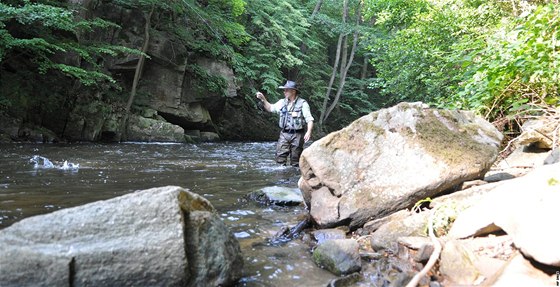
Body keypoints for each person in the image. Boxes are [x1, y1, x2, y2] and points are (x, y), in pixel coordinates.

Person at [256, 80, 314, 167]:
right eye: (284, 90)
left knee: (295, 161)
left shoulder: (303, 103)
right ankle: (281, 179)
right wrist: (263, 99)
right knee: (280, 159)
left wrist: (309, 132)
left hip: (297, 135)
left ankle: (293, 178)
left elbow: (309, 119)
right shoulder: (282, 102)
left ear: (293, 91)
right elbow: (270, 108)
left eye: (286, 90)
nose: (284, 92)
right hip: (284, 134)